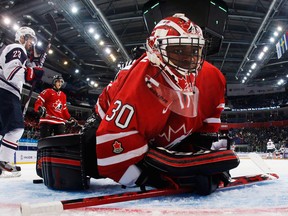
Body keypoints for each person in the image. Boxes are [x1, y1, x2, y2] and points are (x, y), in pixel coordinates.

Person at [37, 14, 239, 195]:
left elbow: (205, 132)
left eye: (194, 51)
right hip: (104, 123)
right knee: (91, 154)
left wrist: (199, 151)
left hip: (150, 131)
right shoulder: (141, 83)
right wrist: (155, 177)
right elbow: (110, 153)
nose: (189, 60)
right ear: (155, 52)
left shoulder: (213, 79)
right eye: (179, 51)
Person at [0, 26, 43, 176]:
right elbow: (11, 73)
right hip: (6, 91)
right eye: (30, 39)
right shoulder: (17, 48)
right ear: (23, 37)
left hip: (6, 91)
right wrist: (31, 73)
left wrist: (31, 70)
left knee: (4, 130)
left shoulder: (20, 51)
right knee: (16, 128)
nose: (32, 43)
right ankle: (3, 161)